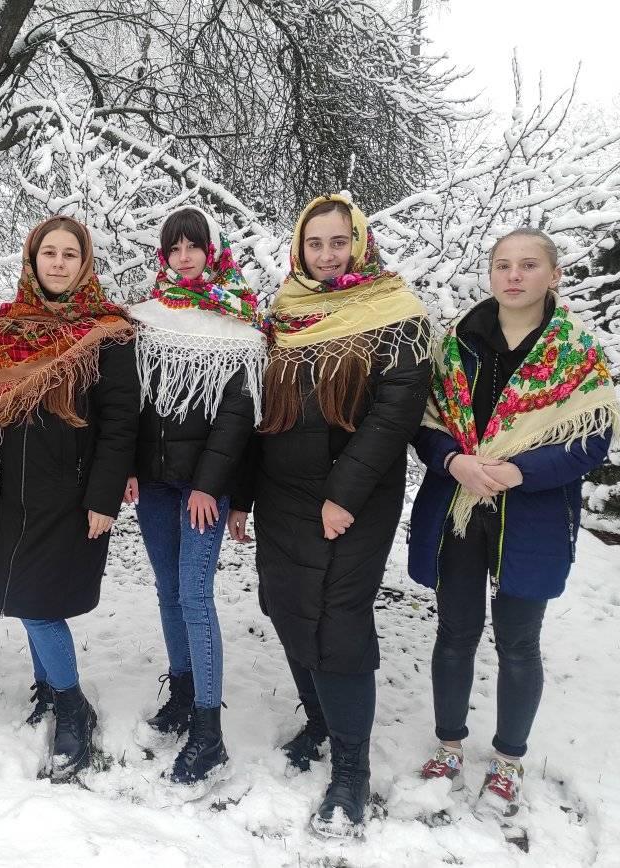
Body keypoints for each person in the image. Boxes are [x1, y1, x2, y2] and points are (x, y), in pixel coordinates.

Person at [229, 193, 431, 838]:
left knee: (339, 620)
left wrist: (343, 494)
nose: (326, 254)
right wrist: (241, 495)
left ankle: (351, 769)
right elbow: (258, 412)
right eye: (314, 244)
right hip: (282, 494)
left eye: (338, 242)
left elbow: (395, 412)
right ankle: (318, 721)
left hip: (353, 498)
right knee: (286, 604)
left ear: (359, 244)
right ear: (299, 249)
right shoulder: (284, 315)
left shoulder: (394, 315)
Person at [408, 228, 620, 819]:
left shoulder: (575, 351)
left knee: (519, 642)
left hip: (532, 515)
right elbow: (425, 423)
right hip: (458, 507)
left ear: (553, 275)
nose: (514, 275)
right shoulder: (458, 343)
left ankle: (508, 759)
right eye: (502, 265)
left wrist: (519, 471)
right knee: (455, 632)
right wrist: (454, 461)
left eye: (528, 265)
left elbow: (592, 439)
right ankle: (449, 746)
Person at [0, 215, 139, 781]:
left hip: (72, 494)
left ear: (85, 263)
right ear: (33, 259)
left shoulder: (108, 332)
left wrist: (104, 497)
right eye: (50, 253)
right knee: (23, 596)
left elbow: (121, 425)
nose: (59, 263)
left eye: (70, 254)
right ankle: (48, 686)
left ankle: (71, 707)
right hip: (13, 494)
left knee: (39, 605)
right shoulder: (5, 330)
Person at [124, 206, 265, 784]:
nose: (184, 258)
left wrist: (210, 486)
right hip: (155, 485)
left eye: (193, 247)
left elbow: (237, 417)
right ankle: (182, 691)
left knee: (195, 596)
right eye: (174, 249)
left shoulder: (239, 324)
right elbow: (133, 405)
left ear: (213, 251)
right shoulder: (148, 317)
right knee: (167, 592)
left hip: (202, 489)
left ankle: (209, 730)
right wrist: (129, 469)